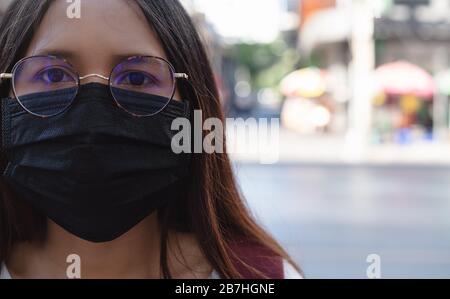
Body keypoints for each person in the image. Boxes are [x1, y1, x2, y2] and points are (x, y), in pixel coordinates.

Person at [0, 0, 302, 279]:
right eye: (53, 75)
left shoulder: (258, 276)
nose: (94, 115)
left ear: (192, 109)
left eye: (136, 78)